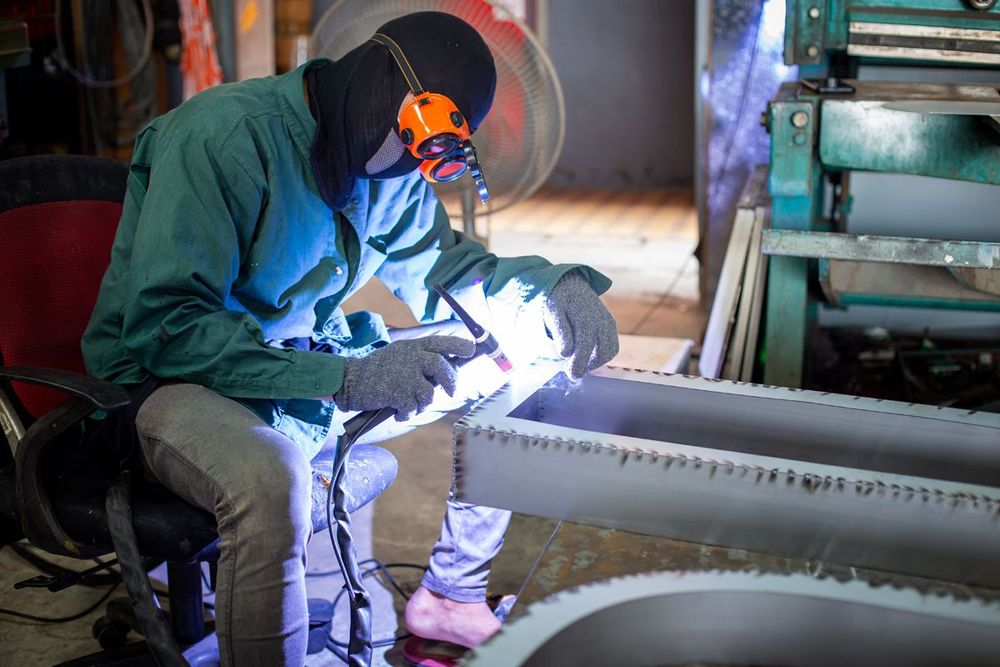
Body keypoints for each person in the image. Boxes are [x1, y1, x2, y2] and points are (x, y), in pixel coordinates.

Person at [82, 11, 618, 666]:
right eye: (406, 141)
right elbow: (168, 328)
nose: (399, 172)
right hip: (172, 383)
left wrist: (551, 292)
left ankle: (454, 591)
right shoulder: (224, 138)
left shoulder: (386, 174)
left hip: (302, 370)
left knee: (511, 358)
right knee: (269, 479)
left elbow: (445, 272)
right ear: (378, 82)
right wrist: (345, 380)